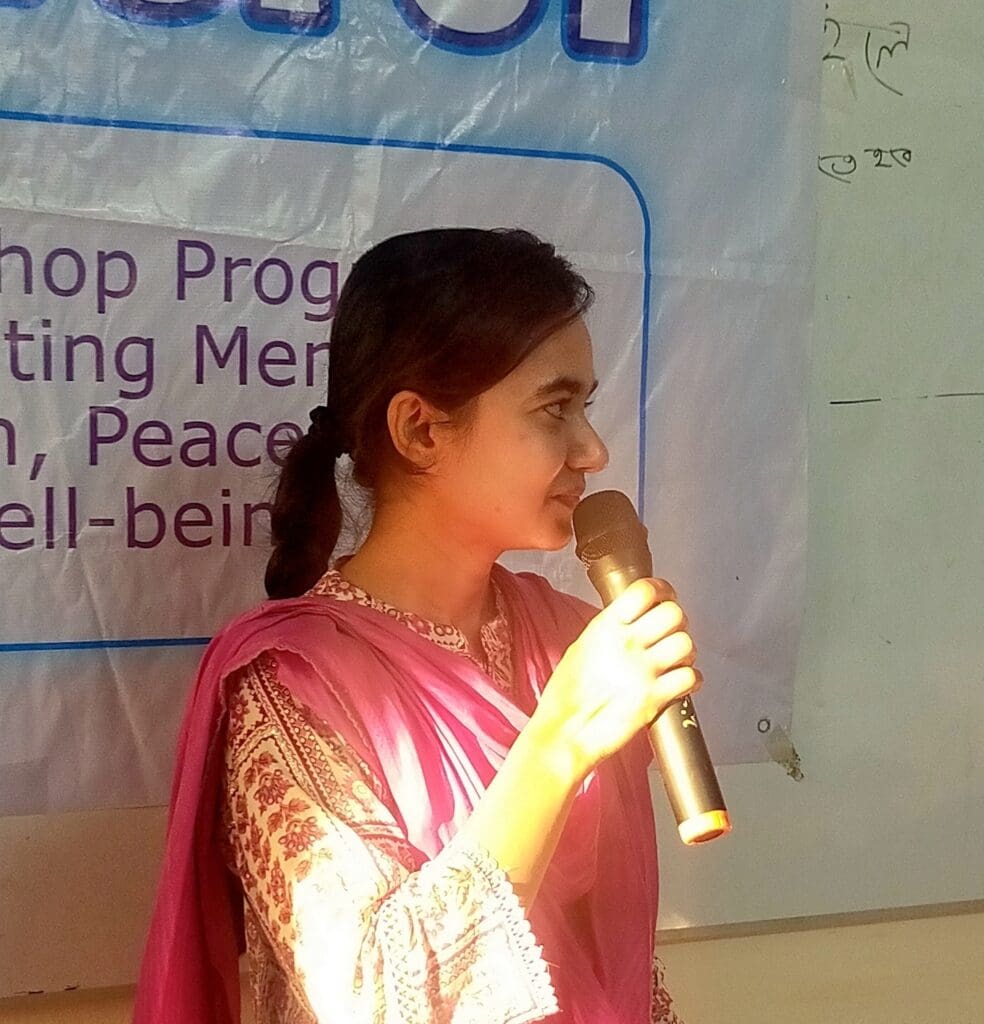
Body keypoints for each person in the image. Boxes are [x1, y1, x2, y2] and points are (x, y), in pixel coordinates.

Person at [133, 228, 698, 1024]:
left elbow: (621, 967)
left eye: (587, 407)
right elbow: (367, 999)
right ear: (421, 430)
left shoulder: (570, 640)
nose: (594, 450)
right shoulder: (290, 687)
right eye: (554, 408)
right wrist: (560, 740)